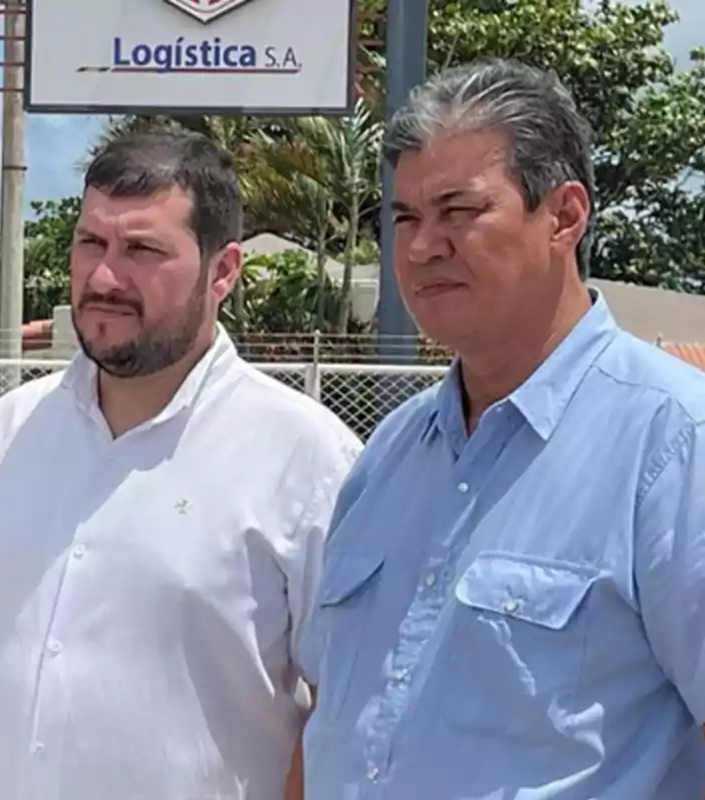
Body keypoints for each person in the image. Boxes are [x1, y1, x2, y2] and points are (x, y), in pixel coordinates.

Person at [0, 127, 362, 800]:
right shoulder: (8, 430)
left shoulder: (310, 459)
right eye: (91, 243)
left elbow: (341, 716)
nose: (105, 277)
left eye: (143, 250)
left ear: (224, 270)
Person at [300, 58, 705, 799]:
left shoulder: (676, 444)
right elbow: (332, 715)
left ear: (565, 215)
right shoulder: (389, 453)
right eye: (406, 218)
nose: (423, 247)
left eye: (459, 211)